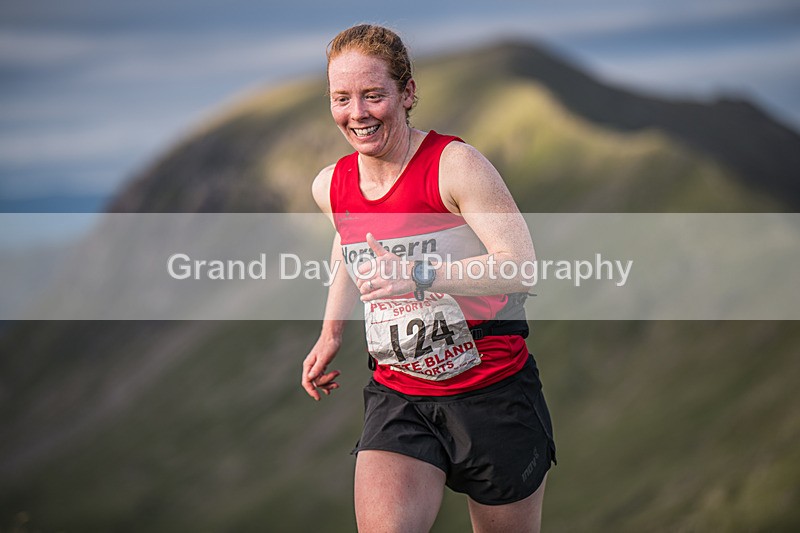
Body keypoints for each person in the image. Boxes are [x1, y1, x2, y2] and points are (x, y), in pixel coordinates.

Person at [301, 24, 555, 533]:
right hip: (401, 395)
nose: (357, 113)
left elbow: (520, 266)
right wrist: (331, 332)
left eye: (373, 95)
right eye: (342, 98)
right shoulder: (331, 185)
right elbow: (347, 243)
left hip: (493, 392)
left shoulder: (454, 165)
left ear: (408, 93)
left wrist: (420, 274)